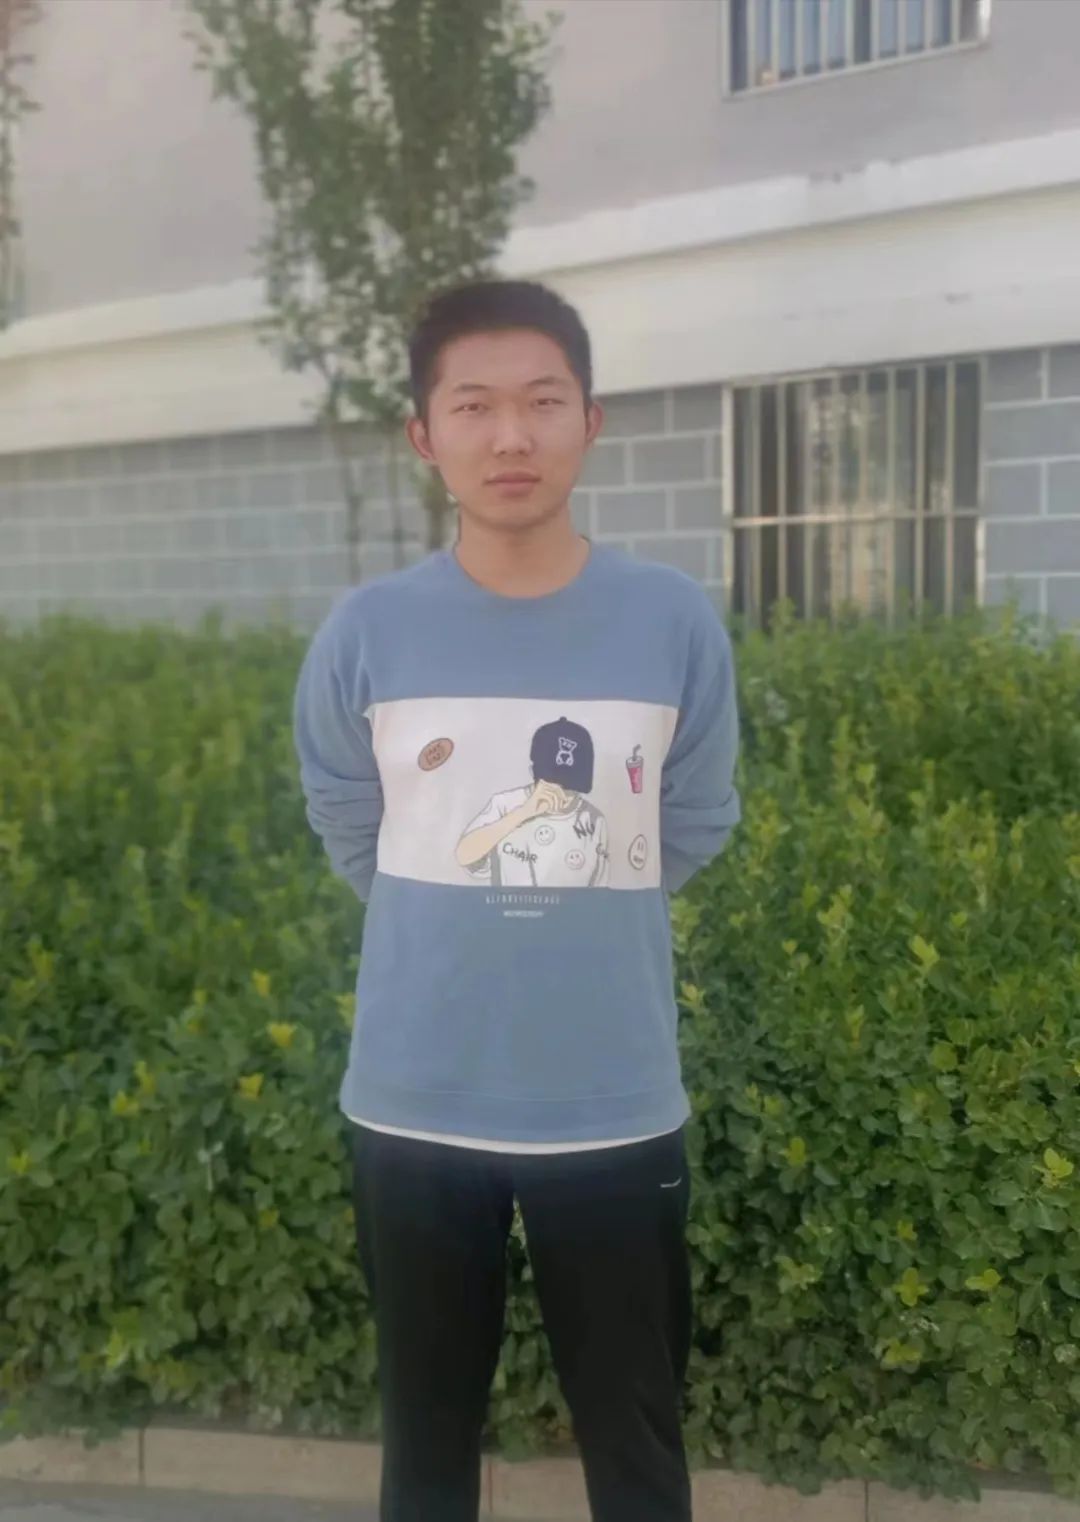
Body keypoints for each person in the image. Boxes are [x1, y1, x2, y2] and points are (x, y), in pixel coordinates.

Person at [293, 279, 741, 1522]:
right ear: (422, 433)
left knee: (638, 1450)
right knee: (425, 1452)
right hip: (414, 1105)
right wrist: (463, 903)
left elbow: (694, 816)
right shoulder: (368, 630)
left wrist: (579, 901)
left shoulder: (670, 619)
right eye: (474, 406)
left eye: (543, 402)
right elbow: (347, 814)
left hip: (614, 1105)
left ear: (590, 421)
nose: (511, 436)